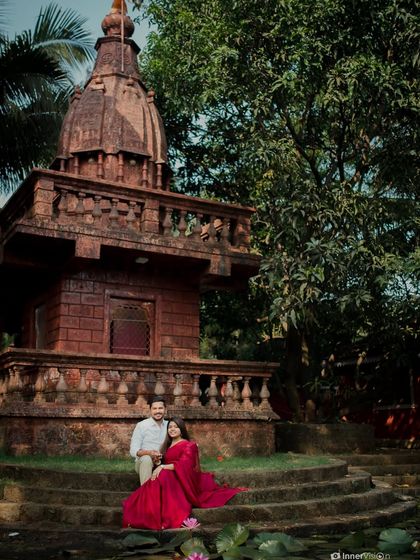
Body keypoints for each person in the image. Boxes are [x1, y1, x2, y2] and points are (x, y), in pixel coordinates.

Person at [122, 417, 245, 530]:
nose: (172, 429)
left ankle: (165, 519)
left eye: (175, 427)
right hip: (169, 475)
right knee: (159, 478)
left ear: (181, 429)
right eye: (170, 427)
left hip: (182, 478)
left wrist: (163, 467)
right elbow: (164, 462)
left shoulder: (189, 445)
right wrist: (159, 461)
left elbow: (185, 464)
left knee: (163, 475)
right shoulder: (167, 445)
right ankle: (146, 513)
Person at [129, 396, 168, 485]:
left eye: (160, 408)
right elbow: (133, 450)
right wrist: (149, 453)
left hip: (163, 463)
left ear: (165, 409)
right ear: (150, 410)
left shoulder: (169, 426)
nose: (157, 411)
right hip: (144, 463)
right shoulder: (142, 425)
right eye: (154, 408)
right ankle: (146, 494)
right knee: (146, 459)